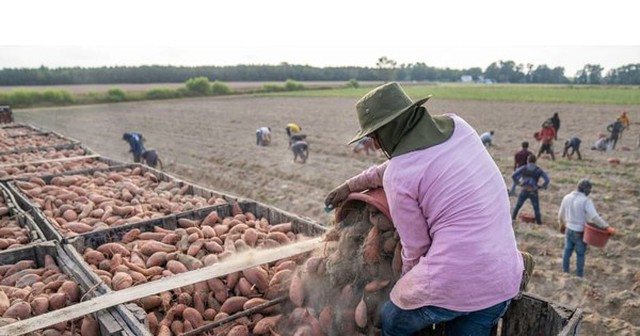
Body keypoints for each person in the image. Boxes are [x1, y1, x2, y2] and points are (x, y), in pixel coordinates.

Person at [324, 82, 523, 335]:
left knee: (391, 319)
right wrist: (351, 185)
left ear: (388, 131)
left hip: (454, 280)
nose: (375, 145)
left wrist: (404, 286)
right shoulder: (459, 128)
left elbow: (416, 249)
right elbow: (413, 165)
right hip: (503, 279)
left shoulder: (400, 176)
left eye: (375, 136)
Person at [558, 179, 616, 277]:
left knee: (567, 251)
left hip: (569, 229)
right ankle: (579, 276)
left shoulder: (567, 197)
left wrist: (562, 225)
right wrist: (607, 227)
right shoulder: (585, 200)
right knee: (580, 254)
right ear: (587, 190)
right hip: (580, 232)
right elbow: (594, 217)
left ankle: (565, 272)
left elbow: (560, 215)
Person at [511, 155, 550, 225]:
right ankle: (539, 223)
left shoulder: (524, 168)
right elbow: (547, 179)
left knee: (518, 206)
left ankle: (512, 219)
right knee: (536, 209)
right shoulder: (538, 170)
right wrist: (541, 187)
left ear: (527, 160)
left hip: (524, 189)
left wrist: (518, 183)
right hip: (533, 191)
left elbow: (513, 175)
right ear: (535, 161)